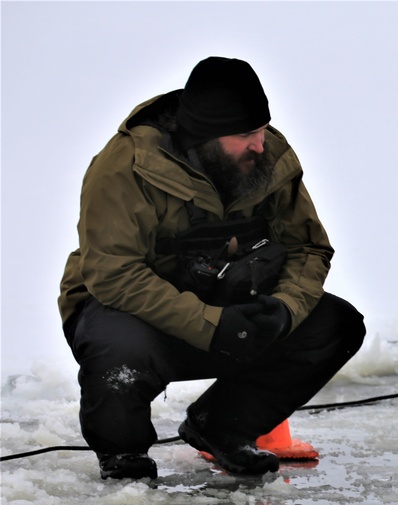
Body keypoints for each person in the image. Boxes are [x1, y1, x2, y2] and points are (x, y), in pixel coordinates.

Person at [58, 57, 366, 481]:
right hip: (136, 314)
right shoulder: (123, 166)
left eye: (261, 128)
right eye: (245, 134)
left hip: (231, 305)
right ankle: (123, 456)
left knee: (335, 323)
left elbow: (309, 247)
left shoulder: (270, 159)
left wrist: (283, 309)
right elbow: (114, 274)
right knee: (118, 352)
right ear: (204, 135)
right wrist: (211, 324)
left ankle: (224, 427)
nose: (260, 143)